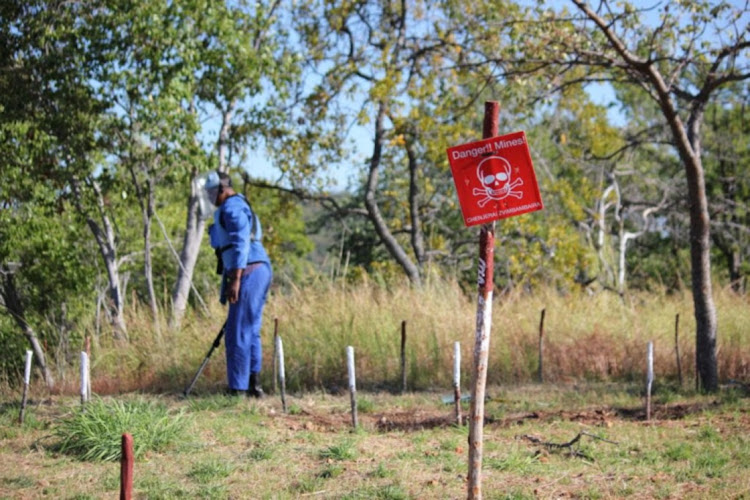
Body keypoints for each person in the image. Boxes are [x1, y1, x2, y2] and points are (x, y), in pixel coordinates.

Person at [203, 171, 272, 397]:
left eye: (211, 192)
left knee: (238, 331)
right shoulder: (240, 204)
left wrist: (236, 278)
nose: (209, 197)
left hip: (249, 271)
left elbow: (241, 242)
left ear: (221, 190)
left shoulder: (232, 208)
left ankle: (238, 390)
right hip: (258, 268)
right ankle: (253, 386)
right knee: (249, 330)